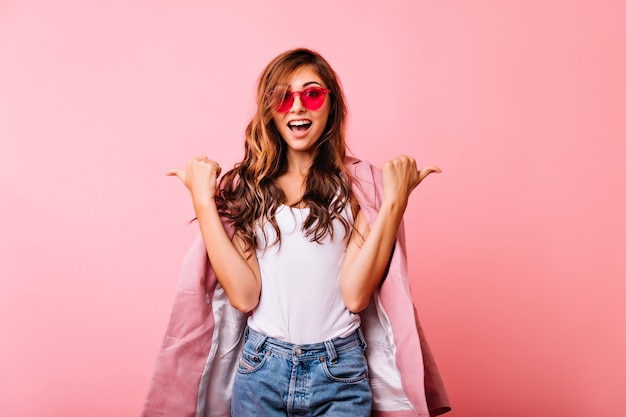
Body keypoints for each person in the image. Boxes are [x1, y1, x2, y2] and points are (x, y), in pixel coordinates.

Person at [143, 48, 450, 417]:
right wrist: (204, 203)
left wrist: (395, 203)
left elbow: (356, 295)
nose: (297, 106)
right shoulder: (248, 187)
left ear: (330, 103)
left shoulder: (359, 187)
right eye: (283, 96)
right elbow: (243, 295)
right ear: (269, 109)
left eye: (312, 94)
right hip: (261, 370)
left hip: (340, 371)